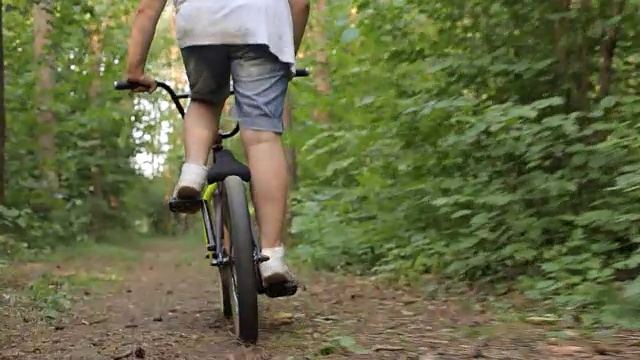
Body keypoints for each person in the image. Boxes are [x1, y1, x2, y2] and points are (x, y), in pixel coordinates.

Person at [124, 0, 310, 286]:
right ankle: (272, 256)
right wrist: (287, 55)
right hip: (261, 23)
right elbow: (300, 3)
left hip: (202, 23)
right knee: (262, 137)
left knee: (204, 101)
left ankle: (193, 171)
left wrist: (135, 69)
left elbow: (147, 8)